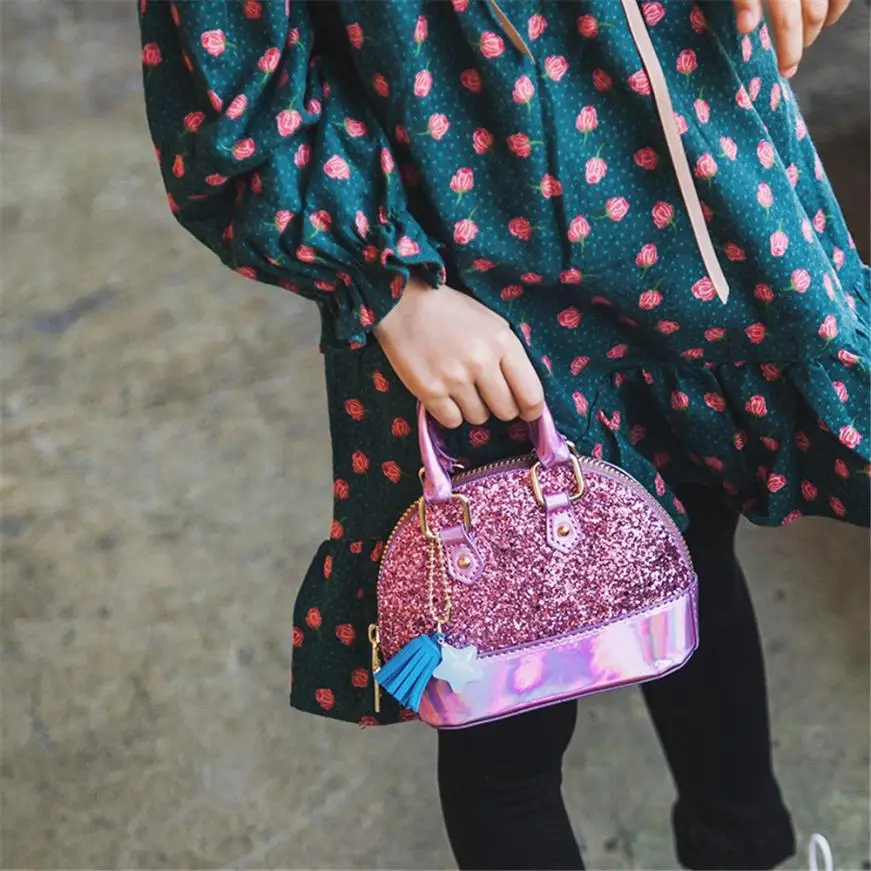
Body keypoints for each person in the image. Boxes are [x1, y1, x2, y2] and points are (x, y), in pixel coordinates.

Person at [138, 0, 868, 867]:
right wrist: (392, 290)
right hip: (466, 269)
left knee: (688, 556)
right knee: (501, 689)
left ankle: (746, 849)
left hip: (693, 194)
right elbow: (225, 78)